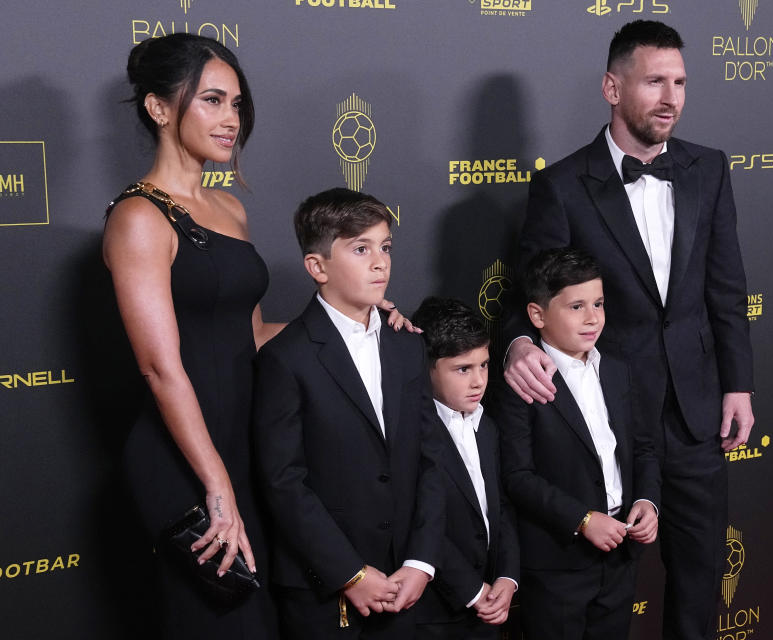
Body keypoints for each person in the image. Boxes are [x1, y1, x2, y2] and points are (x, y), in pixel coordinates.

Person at [502, 20, 755, 640]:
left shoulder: (709, 169)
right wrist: (515, 343)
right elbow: (523, 294)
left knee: (699, 573)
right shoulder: (562, 184)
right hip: (604, 418)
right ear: (613, 88)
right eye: (654, 83)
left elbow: (726, 288)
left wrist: (738, 385)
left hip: (695, 411)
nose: (671, 97)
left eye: (680, 83)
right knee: (600, 587)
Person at [103, 33, 281, 638]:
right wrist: (217, 484)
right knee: (217, 623)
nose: (231, 119)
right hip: (185, 461)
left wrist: (353, 316)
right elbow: (160, 368)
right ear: (159, 108)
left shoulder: (230, 208)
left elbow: (251, 334)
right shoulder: (138, 217)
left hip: (243, 443)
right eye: (211, 101)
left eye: (236, 104)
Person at [251, 188, 445, 640]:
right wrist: (350, 573)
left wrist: (421, 561)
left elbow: (432, 458)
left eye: (385, 246)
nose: (381, 262)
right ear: (317, 267)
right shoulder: (286, 358)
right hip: (324, 593)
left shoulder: (408, 345)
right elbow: (282, 480)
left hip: (405, 582)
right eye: (361, 249)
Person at [494, 247, 660, 640]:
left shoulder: (618, 369)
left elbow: (643, 447)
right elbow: (517, 476)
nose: (593, 318)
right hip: (558, 564)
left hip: (621, 553)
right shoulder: (524, 383)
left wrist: (647, 501)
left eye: (599, 304)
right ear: (537, 315)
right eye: (576, 307)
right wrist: (583, 519)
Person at [410, 297, 519, 640]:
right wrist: (472, 590)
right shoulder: (411, 433)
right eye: (463, 369)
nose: (478, 381)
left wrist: (507, 576)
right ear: (426, 367)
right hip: (434, 613)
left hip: (489, 604)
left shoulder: (487, 425)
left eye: (484, 365)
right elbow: (423, 523)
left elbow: (501, 506)